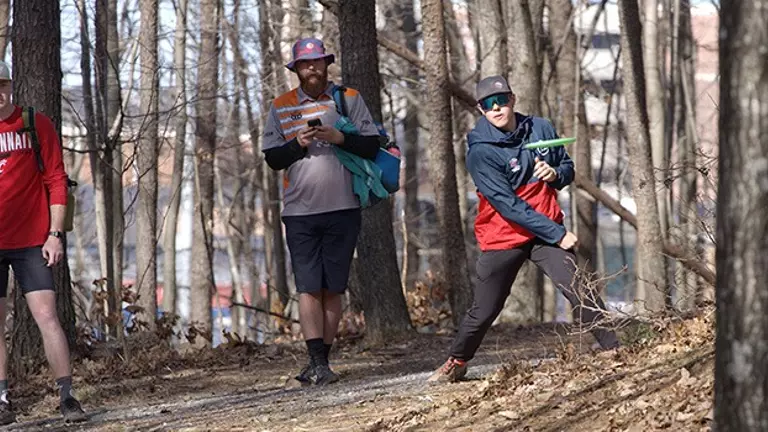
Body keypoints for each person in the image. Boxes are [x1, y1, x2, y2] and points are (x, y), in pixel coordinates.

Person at [428, 75, 620, 382]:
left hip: (544, 232)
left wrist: (555, 173)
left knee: (579, 288)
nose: (497, 108)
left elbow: (567, 168)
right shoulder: (481, 152)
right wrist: (558, 233)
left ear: (512, 99)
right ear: (481, 110)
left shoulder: (540, 128)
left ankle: (615, 351)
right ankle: (457, 360)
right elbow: (508, 206)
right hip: (504, 234)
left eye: (502, 100)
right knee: (485, 308)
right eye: (489, 105)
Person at [262, 38, 382, 386]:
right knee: (308, 287)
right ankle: (314, 359)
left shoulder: (349, 99)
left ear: (327, 64)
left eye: (317, 62)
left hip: (344, 207)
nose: (311, 68)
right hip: (299, 210)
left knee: (334, 288)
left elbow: (372, 145)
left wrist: (339, 137)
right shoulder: (280, 105)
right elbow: (272, 158)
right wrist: (297, 145)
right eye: (305, 63)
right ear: (296, 68)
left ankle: (323, 362)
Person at [0, 61, 87, 423]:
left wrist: (54, 234)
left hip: (33, 240)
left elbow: (56, 178)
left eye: (2, 85)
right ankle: (2, 400)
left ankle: (67, 396)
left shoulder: (35, 123)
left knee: (48, 317)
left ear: (10, 86)